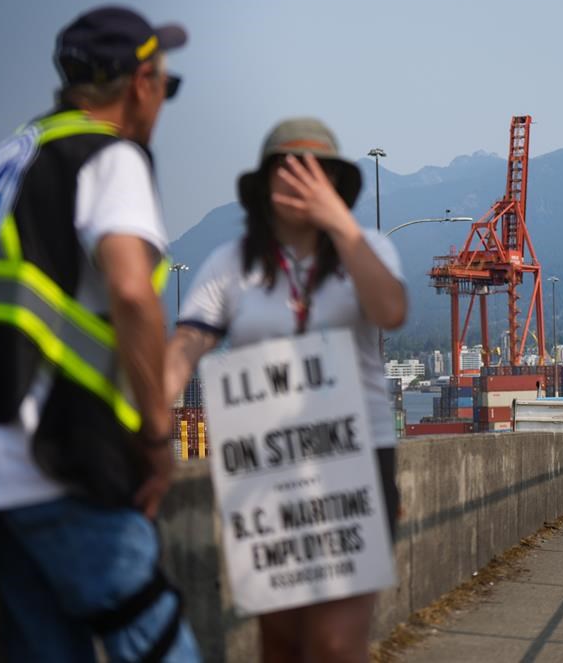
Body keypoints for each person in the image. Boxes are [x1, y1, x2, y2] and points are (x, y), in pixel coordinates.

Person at [0, 6, 200, 661]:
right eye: (165, 83)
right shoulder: (110, 157)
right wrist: (155, 437)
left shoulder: (12, 153)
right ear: (140, 83)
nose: (164, 100)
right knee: (160, 641)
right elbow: (129, 292)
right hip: (59, 464)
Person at [165, 117, 407, 662]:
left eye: (314, 173)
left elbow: (390, 309)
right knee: (279, 642)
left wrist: (340, 228)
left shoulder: (367, 249)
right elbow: (185, 345)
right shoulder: (232, 264)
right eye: (286, 171)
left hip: (356, 460)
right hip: (266, 466)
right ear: (264, 186)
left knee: (334, 643)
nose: (299, 183)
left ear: (335, 185)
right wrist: (153, 408)